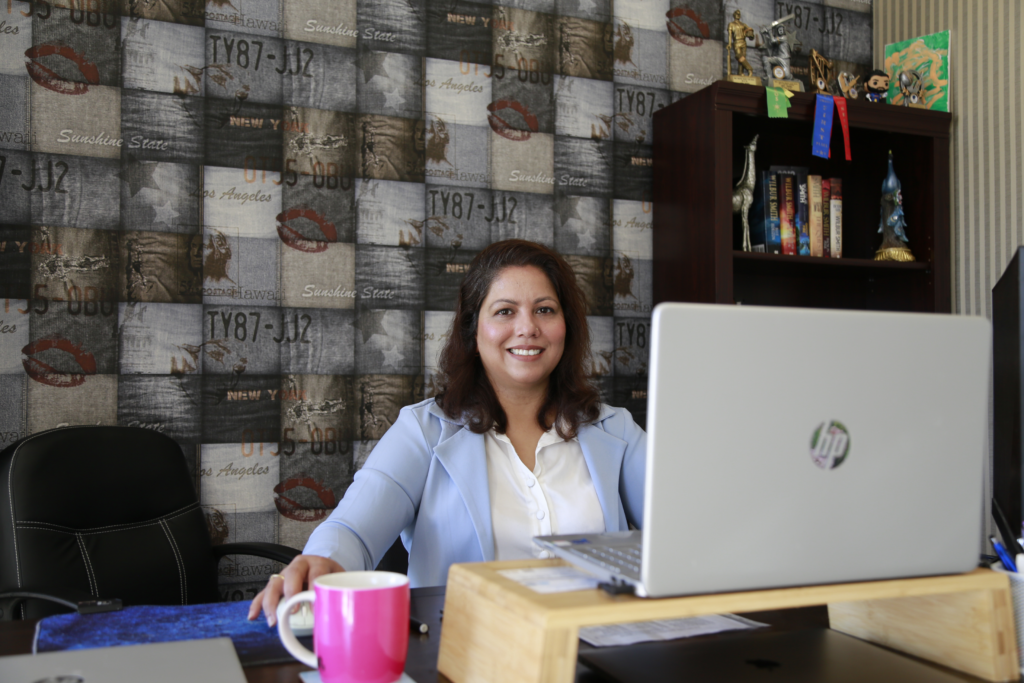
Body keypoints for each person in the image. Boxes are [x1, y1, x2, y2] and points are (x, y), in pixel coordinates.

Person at [249, 239, 647, 625]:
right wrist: (321, 561)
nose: (528, 327)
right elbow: (352, 530)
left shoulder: (615, 430)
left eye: (544, 309)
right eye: (505, 311)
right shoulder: (423, 431)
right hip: (466, 649)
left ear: (566, 327)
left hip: (603, 647)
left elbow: (678, 523)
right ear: (473, 331)